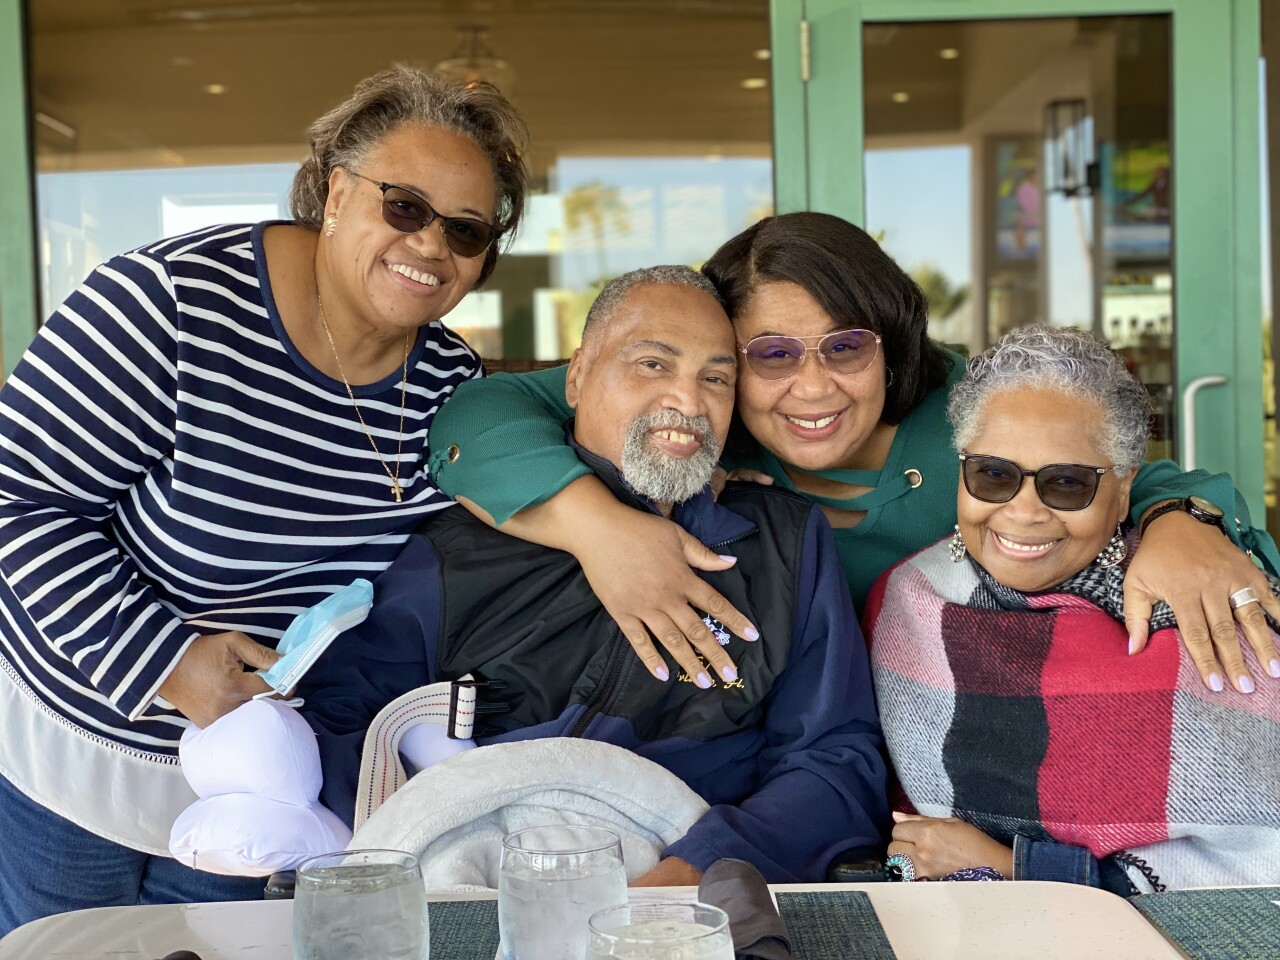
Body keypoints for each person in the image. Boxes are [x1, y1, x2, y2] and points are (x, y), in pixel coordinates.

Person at [0, 67, 527, 935]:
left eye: (467, 231)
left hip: (269, 784)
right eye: (404, 206)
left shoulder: (451, 383)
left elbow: (550, 451)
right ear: (331, 190)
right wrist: (165, 661)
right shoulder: (168, 305)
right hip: (79, 751)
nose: (432, 245)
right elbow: (18, 499)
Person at [425, 212, 1280, 698]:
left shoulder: (969, 421)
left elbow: (1111, 470)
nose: (813, 389)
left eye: (845, 348)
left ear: (892, 343)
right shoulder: (694, 407)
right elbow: (480, 412)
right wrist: (599, 530)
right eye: (771, 355)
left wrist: (1178, 518)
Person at [300, 266, 890, 885]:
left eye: (715, 378)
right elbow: (344, 720)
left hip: (692, 892)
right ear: (577, 376)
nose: (687, 403)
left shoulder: (783, 543)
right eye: (653, 365)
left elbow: (834, 759)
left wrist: (700, 867)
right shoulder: (462, 544)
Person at [867, 326, 1280, 893]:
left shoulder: (1200, 605)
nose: (1024, 511)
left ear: (1125, 486)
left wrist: (1024, 868)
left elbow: (1259, 866)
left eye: (1066, 484)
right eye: (994, 475)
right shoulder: (911, 600)